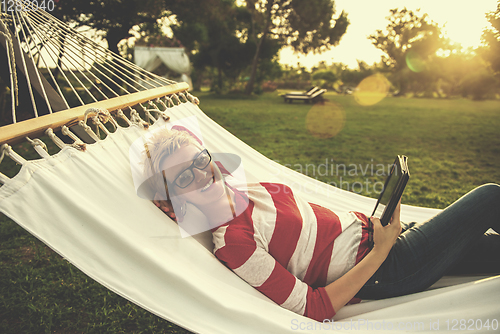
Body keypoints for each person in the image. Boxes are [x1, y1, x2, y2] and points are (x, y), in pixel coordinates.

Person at [142, 127, 500, 322]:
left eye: (199, 160)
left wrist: (378, 226)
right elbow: (314, 307)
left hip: (378, 237)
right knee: (489, 197)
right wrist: (381, 251)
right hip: (385, 267)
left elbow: (314, 229)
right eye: (183, 178)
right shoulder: (236, 242)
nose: (200, 175)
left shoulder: (243, 190)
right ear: (176, 199)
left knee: (491, 252)